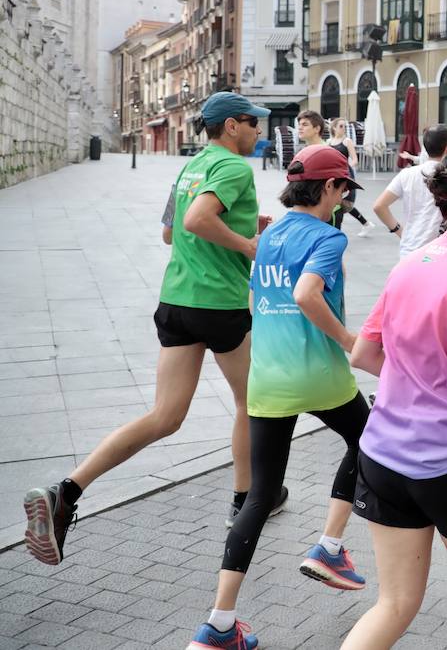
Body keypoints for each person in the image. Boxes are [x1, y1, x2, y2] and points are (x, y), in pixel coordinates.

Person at [24, 92, 270, 566]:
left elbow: (170, 231)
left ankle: (67, 492)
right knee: (252, 401)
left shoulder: (191, 167)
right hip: (218, 303)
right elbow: (198, 220)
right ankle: (246, 499)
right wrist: (249, 244)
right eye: (252, 123)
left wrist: (237, 228)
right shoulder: (235, 168)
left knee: (165, 416)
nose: (259, 131)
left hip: (176, 299)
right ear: (231, 127)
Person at [186, 146, 371, 650]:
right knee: (370, 437)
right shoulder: (329, 236)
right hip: (319, 374)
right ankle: (330, 545)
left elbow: (254, 300)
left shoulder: (265, 238)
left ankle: (219, 624)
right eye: (344, 190)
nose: (344, 199)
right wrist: (352, 342)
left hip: (267, 378)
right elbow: (307, 295)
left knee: (260, 496)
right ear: (331, 188)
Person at [341, 151, 447, 650]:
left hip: (382, 454)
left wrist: (420, 377)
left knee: (393, 603)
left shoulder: (410, 263)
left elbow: (365, 353)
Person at [372, 124, 447, 260]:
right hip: (438, 251)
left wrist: (400, 231)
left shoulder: (407, 174)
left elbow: (379, 206)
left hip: (409, 249)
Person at [325, 117, 373, 235]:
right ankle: (366, 224)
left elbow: (355, 159)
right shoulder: (328, 142)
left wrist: (347, 168)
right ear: (334, 128)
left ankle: (336, 230)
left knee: (344, 203)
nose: (343, 128)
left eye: (345, 126)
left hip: (345, 175)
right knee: (339, 203)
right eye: (341, 126)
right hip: (332, 175)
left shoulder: (347, 141)